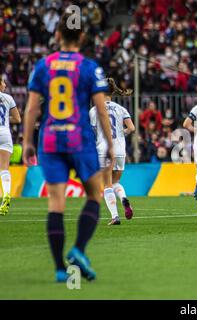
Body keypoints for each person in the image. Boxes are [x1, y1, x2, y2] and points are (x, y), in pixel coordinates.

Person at [23, 13, 113, 282]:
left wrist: (27, 142)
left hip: (50, 139)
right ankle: (78, 249)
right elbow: (101, 109)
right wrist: (109, 142)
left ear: (58, 35)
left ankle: (61, 270)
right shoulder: (89, 67)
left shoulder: (43, 66)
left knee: (56, 203)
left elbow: (31, 109)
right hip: (79, 138)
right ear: (82, 37)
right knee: (95, 194)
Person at [89, 78, 135, 226]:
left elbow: (93, 131)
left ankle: (115, 216)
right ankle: (123, 198)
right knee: (116, 182)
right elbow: (132, 128)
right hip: (120, 149)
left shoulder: (95, 110)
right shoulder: (121, 109)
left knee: (107, 185)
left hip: (104, 149)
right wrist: (122, 134)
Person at [0, 78, 22, 215]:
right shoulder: (8, 98)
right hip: (4, 133)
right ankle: (6, 194)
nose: (5, 84)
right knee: (4, 168)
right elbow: (18, 119)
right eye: (3, 82)